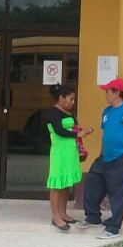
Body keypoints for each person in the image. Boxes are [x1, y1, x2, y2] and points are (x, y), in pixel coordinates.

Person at [78, 78, 123, 239]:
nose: (105, 94)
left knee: (117, 192)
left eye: (108, 92)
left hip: (122, 158)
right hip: (105, 157)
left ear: (117, 93)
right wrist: (101, 153)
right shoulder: (106, 112)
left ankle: (114, 228)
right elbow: (105, 134)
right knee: (92, 181)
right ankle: (93, 217)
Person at [44, 83, 94, 231]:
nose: (73, 102)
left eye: (74, 100)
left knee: (66, 183)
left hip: (70, 151)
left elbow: (75, 128)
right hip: (60, 152)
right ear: (61, 98)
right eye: (70, 99)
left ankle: (63, 213)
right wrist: (77, 134)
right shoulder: (52, 112)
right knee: (57, 184)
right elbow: (59, 130)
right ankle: (56, 216)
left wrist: (83, 134)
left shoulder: (69, 113)